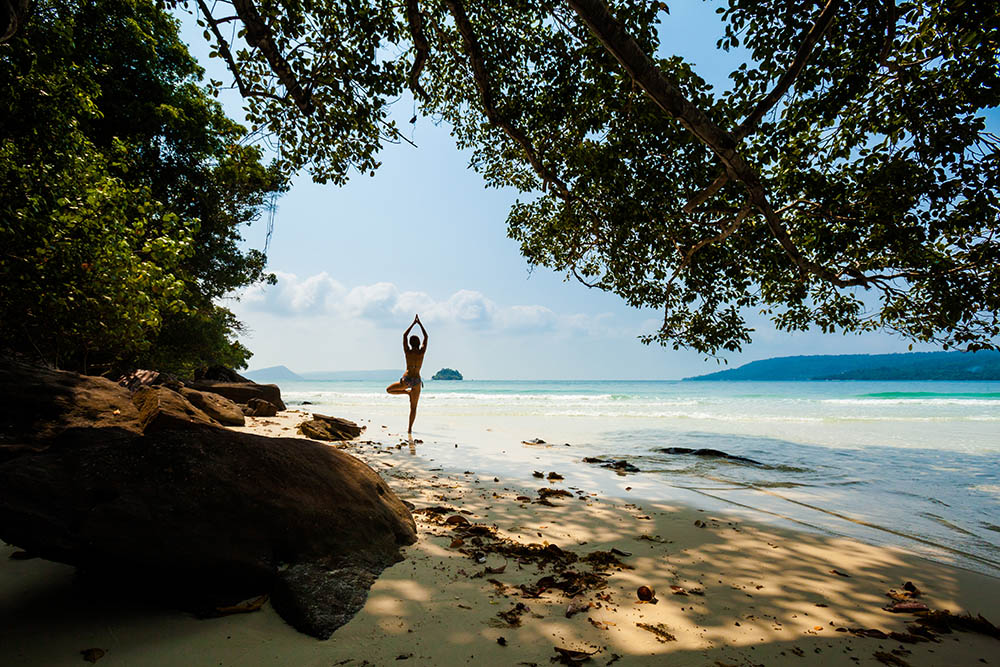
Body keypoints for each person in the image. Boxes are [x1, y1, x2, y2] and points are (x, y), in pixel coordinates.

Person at [386, 314, 428, 434]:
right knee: (413, 408)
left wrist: (413, 324)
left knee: (389, 390)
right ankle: (409, 429)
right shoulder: (422, 352)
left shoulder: (407, 352)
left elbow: (404, 335)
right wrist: (420, 324)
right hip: (417, 381)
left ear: (410, 343)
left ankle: (406, 392)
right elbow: (426, 337)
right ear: (419, 343)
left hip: (407, 379)